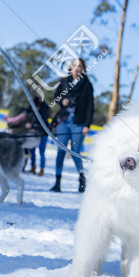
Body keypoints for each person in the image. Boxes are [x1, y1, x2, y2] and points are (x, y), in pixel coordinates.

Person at [50, 58, 94, 193]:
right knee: (61, 151)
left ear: (83, 69)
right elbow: (55, 96)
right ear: (70, 67)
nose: (76, 68)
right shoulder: (64, 81)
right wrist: (62, 101)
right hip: (64, 120)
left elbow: (90, 107)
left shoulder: (87, 85)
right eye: (74, 65)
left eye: (79, 66)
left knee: (75, 152)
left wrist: (87, 125)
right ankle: (57, 182)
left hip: (79, 123)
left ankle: (82, 178)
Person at [27, 97, 49, 176]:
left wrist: (32, 125)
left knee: (41, 152)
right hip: (34, 134)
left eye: (35, 107)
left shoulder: (44, 112)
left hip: (43, 134)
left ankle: (42, 170)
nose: (33, 109)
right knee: (32, 151)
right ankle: (33, 168)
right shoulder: (30, 111)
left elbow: (44, 124)